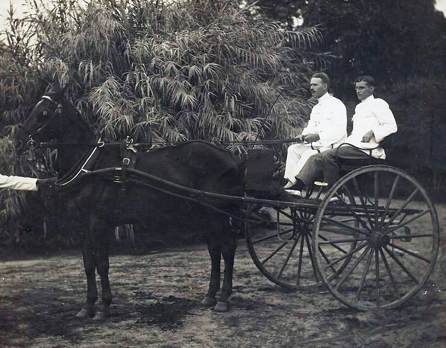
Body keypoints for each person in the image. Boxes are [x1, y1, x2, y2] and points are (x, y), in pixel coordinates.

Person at [291, 75, 398, 193]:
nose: (358, 91)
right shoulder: (359, 107)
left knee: (328, 155)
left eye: (361, 88)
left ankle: (333, 193)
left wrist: (372, 132)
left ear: (371, 89)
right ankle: (298, 186)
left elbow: (391, 126)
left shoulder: (378, 103)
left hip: (368, 150)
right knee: (316, 157)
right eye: (356, 88)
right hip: (354, 146)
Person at [283, 72, 347, 190]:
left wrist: (318, 136)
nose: (311, 88)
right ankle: (290, 182)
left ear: (325, 86)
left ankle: (296, 186)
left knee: (308, 154)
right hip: (317, 145)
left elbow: (340, 130)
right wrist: (302, 136)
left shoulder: (337, 104)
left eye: (315, 85)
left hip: (331, 147)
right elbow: (311, 127)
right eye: (311, 85)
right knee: (293, 149)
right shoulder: (316, 107)